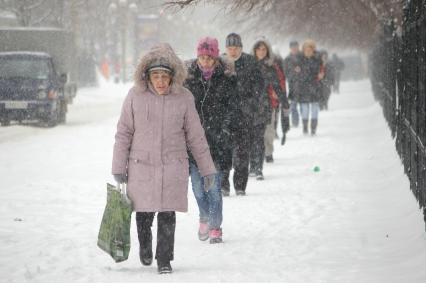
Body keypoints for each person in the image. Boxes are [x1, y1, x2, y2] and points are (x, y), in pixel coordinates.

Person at [111, 44, 217, 274]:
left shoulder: (184, 98)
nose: (160, 81)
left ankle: (164, 259)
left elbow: (196, 136)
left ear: (172, 77)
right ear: (147, 76)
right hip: (142, 166)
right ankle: (146, 248)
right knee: (143, 213)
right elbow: (124, 133)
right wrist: (118, 167)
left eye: (164, 76)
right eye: (155, 76)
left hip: (173, 166)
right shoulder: (135, 96)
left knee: (167, 214)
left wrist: (207, 169)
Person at [184, 37, 236, 243]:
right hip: (194, 144)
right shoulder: (188, 80)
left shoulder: (226, 79)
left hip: (217, 143)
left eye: (209, 58)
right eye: (202, 57)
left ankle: (215, 226)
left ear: (215, 58)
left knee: (214, 189)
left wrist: (224, 130)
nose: (205, 62)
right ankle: (204, 215)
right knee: (197, 188)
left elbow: (232, 108)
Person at [221, 33, 264, 194]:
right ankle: (223, 185)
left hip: (245, 114)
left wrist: (252, 103)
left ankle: (240, 186)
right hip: (224, 114)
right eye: (230, 48)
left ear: (241, 48)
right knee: (223, 151)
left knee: (241, 152)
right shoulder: (221, 63)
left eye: (236, 48)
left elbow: (259, 85)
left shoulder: (250, 62)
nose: (233, 51)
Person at [251, 38, 288, 169]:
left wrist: (281, 98)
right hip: (253, 105)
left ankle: (268, 152)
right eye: (258, 49)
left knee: (269, 130)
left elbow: (279, 83)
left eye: (263, 49)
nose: (261, 52)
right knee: (255, 133)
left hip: (269, 103)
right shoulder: (249, 65)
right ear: (254, 51)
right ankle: (256, 157)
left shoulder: (272, 66)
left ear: (267, 51)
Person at [294, 39, 322, 135]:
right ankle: (305, 126)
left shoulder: (317, 60)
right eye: (306, 49)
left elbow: (322, 71)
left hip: (315, 87)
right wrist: (296, 72)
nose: (308, 51)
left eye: (310, 49)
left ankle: (313, 128)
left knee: (315, 108)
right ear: (303, 50)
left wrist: (321, 76)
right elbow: (295, 72)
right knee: (304, 108)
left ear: (313, 50)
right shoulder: (299, 59)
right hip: (303, 87)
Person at [283, 41, 302, 129]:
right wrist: (294, 72)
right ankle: (295, 123)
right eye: (293, 47)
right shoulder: (287, 59)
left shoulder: (303, 57)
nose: (294, 48)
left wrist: (301, 71)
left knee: (304, 106)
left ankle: (305, 121)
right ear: (290, 48)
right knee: (293, 106)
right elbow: (285, 73)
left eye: (296, 46)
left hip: (304, 86)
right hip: (292, 87)